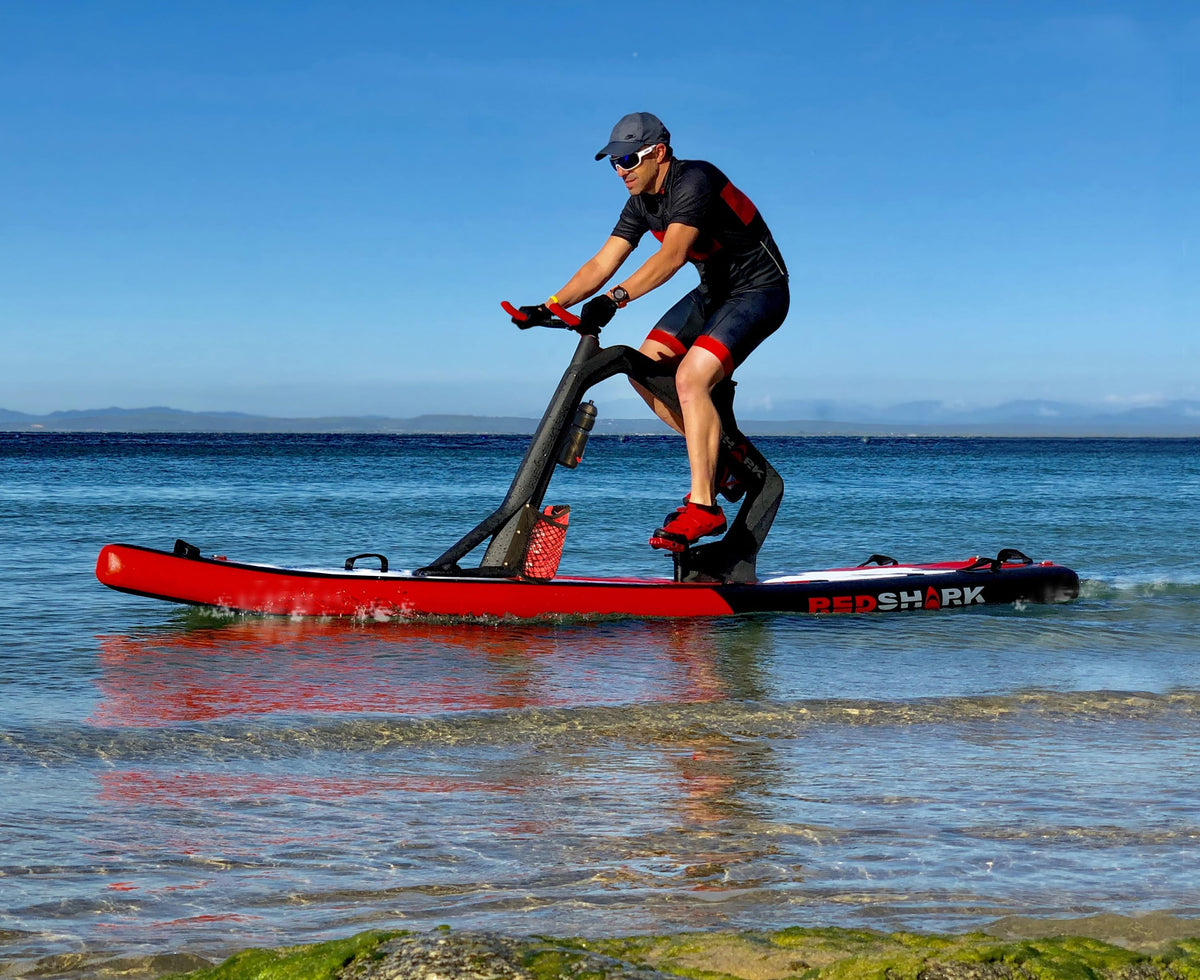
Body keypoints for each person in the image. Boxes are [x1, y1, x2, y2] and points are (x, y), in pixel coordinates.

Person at [511, 112, 789, 551]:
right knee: (644, 367)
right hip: (713, 294)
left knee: (690, 378)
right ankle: (722, 464)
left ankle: (705, 506)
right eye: (613, 163)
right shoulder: (641, 201)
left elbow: (673, 255)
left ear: (658, 153)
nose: (620, 171)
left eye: (628, 160)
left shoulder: (694, 180)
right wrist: (551, 305)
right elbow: (602, 264)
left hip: (759, 291)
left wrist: (615, 299)